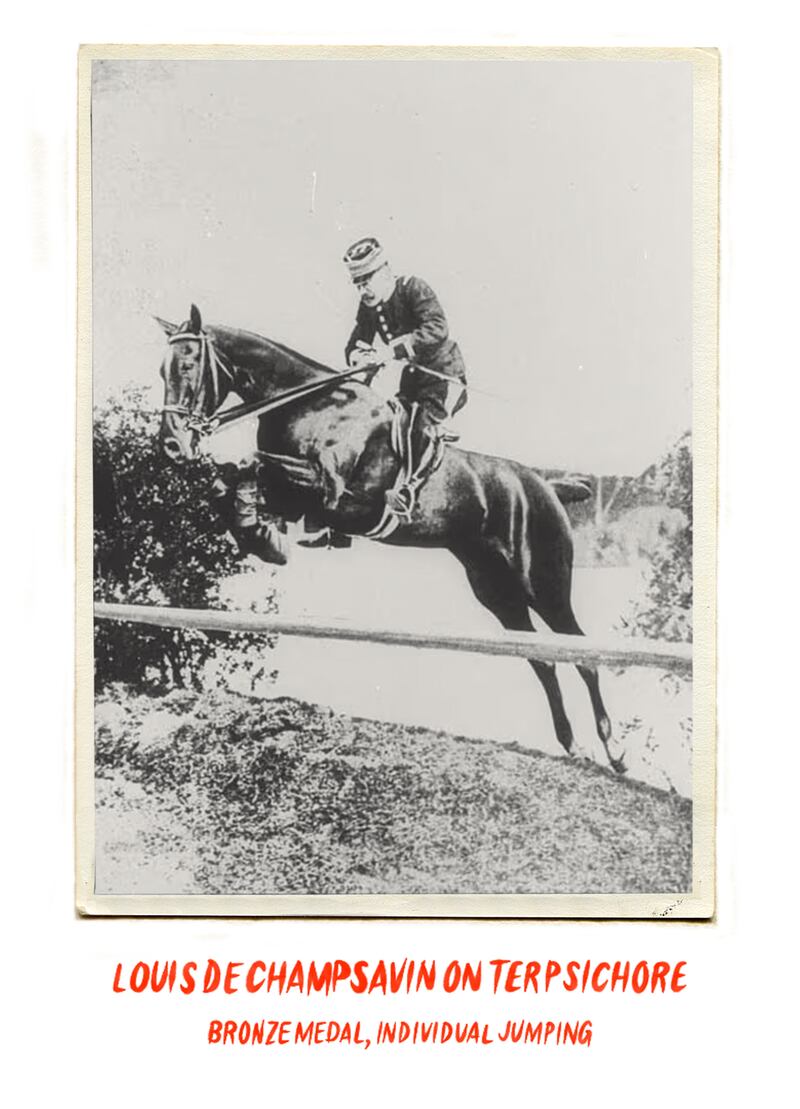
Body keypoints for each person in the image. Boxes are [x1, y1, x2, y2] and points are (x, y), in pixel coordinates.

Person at [343, 236, 468, 515]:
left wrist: (390, 352)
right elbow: (356, 343)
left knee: (420, 428)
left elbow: (437, 328)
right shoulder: (368, 307)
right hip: (412, 383)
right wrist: (358, 357)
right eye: (359, 284)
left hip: (444, 377)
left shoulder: (413, 287)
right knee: (387, 426)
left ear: (385, 272)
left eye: (368, 280)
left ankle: (409, 493)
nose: (364, 289)